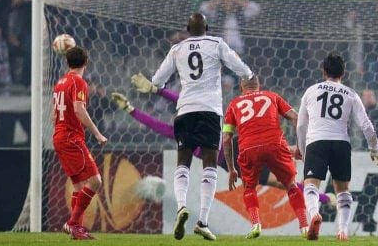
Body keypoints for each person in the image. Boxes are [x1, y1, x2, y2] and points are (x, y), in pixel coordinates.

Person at [110, 87, 337, 205]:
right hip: (237, 153)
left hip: (235, 156)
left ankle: (326, 196)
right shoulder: (195, 122)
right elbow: (161, 122)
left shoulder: (187, 129)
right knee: (282, 171)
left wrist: (150, 95)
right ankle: (324, 193)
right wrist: (132, 109)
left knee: (283, 180)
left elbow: (168, 115)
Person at [137, 13, 253, 241]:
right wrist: (249, 75)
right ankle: (202, 222)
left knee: (184, 162)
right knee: (210, 163)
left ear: (187, 28)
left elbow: (158, 81)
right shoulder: (216, 43)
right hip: (210, 111)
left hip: (185, 109)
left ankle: (181, 207)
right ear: (207, 27)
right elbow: (239, 67)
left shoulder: (177, 49)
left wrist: (155, 85)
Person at [297, 53, 378, 241]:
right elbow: (366, 125)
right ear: (343, 73)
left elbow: (301, 125)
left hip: (316, 142)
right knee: (343, 190)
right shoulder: (351, 94)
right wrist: (374, 149)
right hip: (341, 143)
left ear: (323, 71)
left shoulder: (311, 91)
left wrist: (303, 150)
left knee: (310, 185)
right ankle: (343, 230)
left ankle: (314, 215)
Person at [222, 75, 308, 239]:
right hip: (275, 144)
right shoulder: (272, 96)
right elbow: (296, 117)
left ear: (241, 87)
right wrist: (299, 147)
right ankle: (304, 226)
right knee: (291, 185)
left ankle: (256, 224)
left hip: (248, 148)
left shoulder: (234, 104)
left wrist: (232, 168)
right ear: (258, 85)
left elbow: (226, 138)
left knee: (249, 187)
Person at [52, 46, 107, 240]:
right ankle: (73, 223)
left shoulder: (60, 82)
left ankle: (78, 230)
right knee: (95, 181)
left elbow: (53, 114)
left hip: (59, 136)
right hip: (71, 138)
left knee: (78, 185)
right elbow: (79, 109)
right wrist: (98, 133)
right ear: (86, 63)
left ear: (67, 63)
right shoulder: (78, 82)